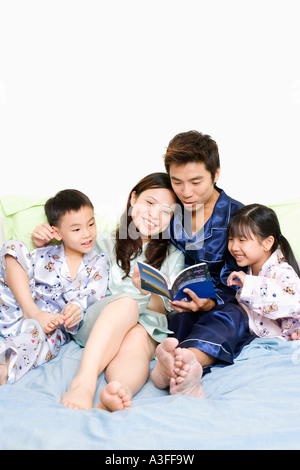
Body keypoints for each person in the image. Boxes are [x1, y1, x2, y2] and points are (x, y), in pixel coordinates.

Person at [34, 173, 185, 411]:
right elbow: (66, 257)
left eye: (166, 211)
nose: (155, 215)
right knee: (126, 304)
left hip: (146, 325)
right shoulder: (101, 241)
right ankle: (85, 380)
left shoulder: (174, 256)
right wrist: (43, 240)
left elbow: (165, 310)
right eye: (150, 203)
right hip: (98, 319)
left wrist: (146, 291)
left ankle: (118, 392)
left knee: (136, 339)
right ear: (133, 199)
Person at [151, 130, 255, 399]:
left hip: (225, 304)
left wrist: (210, 302)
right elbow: (129, 233)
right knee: (179, 321)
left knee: (231, 319)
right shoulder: (170, 212)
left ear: (216, 174)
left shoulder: (238, 217)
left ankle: (186, 363)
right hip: (182, 305)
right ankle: (174, 363)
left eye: (196, 182)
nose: (186, 192)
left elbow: (244, 278)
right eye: (177, 182)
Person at [0, 189, 109, 385]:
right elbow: (16, 269)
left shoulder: (98, 261)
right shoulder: (44, 252)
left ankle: (3, 369)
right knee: (12, 246)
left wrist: (75, 310)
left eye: (91, 224)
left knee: (34, 341)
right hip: (19, 307)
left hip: (51, 325)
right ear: (57, 233)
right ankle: (31, 312)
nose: (87, 234)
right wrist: (38, 244)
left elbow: (94, 294)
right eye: (76, 229)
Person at [227, 203, 300, 340]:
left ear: (267, 243)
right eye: (231, 239)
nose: (234, 247)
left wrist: (249, 284)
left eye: (242, 240)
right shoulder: (246, 272)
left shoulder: (281, 271)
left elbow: (295, 300)